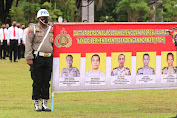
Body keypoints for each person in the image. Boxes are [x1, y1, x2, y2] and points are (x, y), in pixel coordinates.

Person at [25, 9, 53, 112]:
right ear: (38, 18)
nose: (45, 20)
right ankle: (36, 103)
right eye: (43, 18)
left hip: (48, 58)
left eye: (47, 18)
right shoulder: (33, 29)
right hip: (37, 58)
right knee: (37, 81)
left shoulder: (51, 29)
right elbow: (28, 43)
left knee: (46, 81)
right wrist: (29, 58)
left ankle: (45, 103)